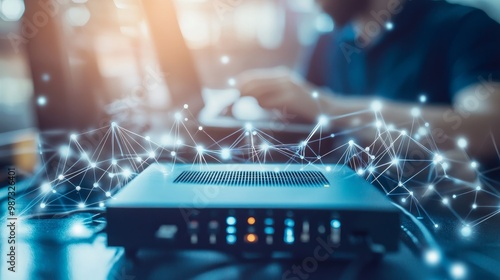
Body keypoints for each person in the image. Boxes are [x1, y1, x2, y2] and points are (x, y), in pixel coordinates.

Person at [236, 0, 500, 161]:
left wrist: (329, 108)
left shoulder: (467, 28)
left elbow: (490, 130)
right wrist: (255, 106)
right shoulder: (328, 40)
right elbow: (301, 115)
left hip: (438, 228)